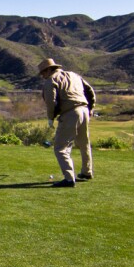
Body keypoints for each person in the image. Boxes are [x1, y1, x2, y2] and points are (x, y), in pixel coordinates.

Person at [38, 58, 96, 188]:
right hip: (84, 111)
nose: (42, 76)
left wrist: (50, 118)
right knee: (83, 143)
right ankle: (87, 172)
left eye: (43, 73)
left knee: (60, 148)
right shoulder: (74, 75)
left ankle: (69, 179)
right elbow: (90, 91)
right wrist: (91, 108)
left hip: (70, 113)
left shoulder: (51, 80)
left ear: (48, 70)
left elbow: (50, 102)